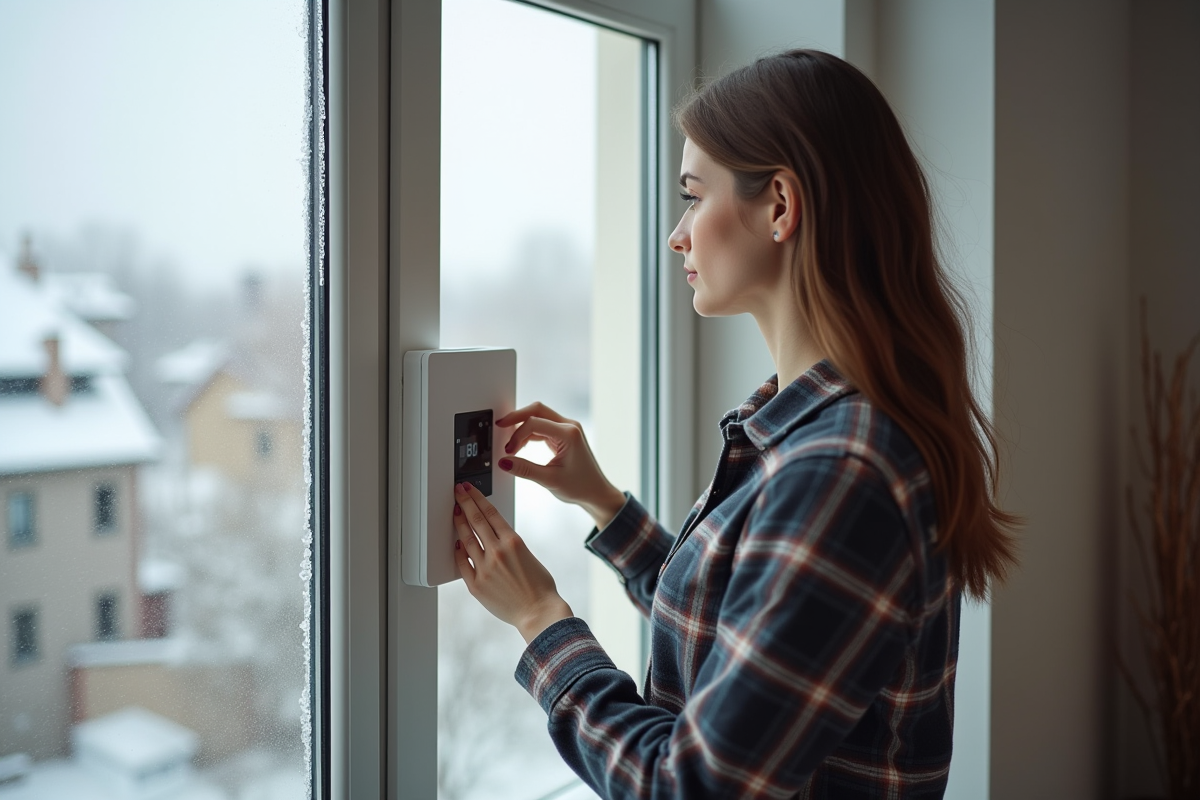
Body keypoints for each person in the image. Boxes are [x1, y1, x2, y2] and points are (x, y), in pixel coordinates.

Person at [449, 48, 1019, 799]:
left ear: (780, 206)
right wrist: (603, 503)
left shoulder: (842, 470)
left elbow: (694, 785)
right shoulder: (820, 427)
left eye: (694, 196)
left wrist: (541, 618)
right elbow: (747, 649)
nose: (676, 235)